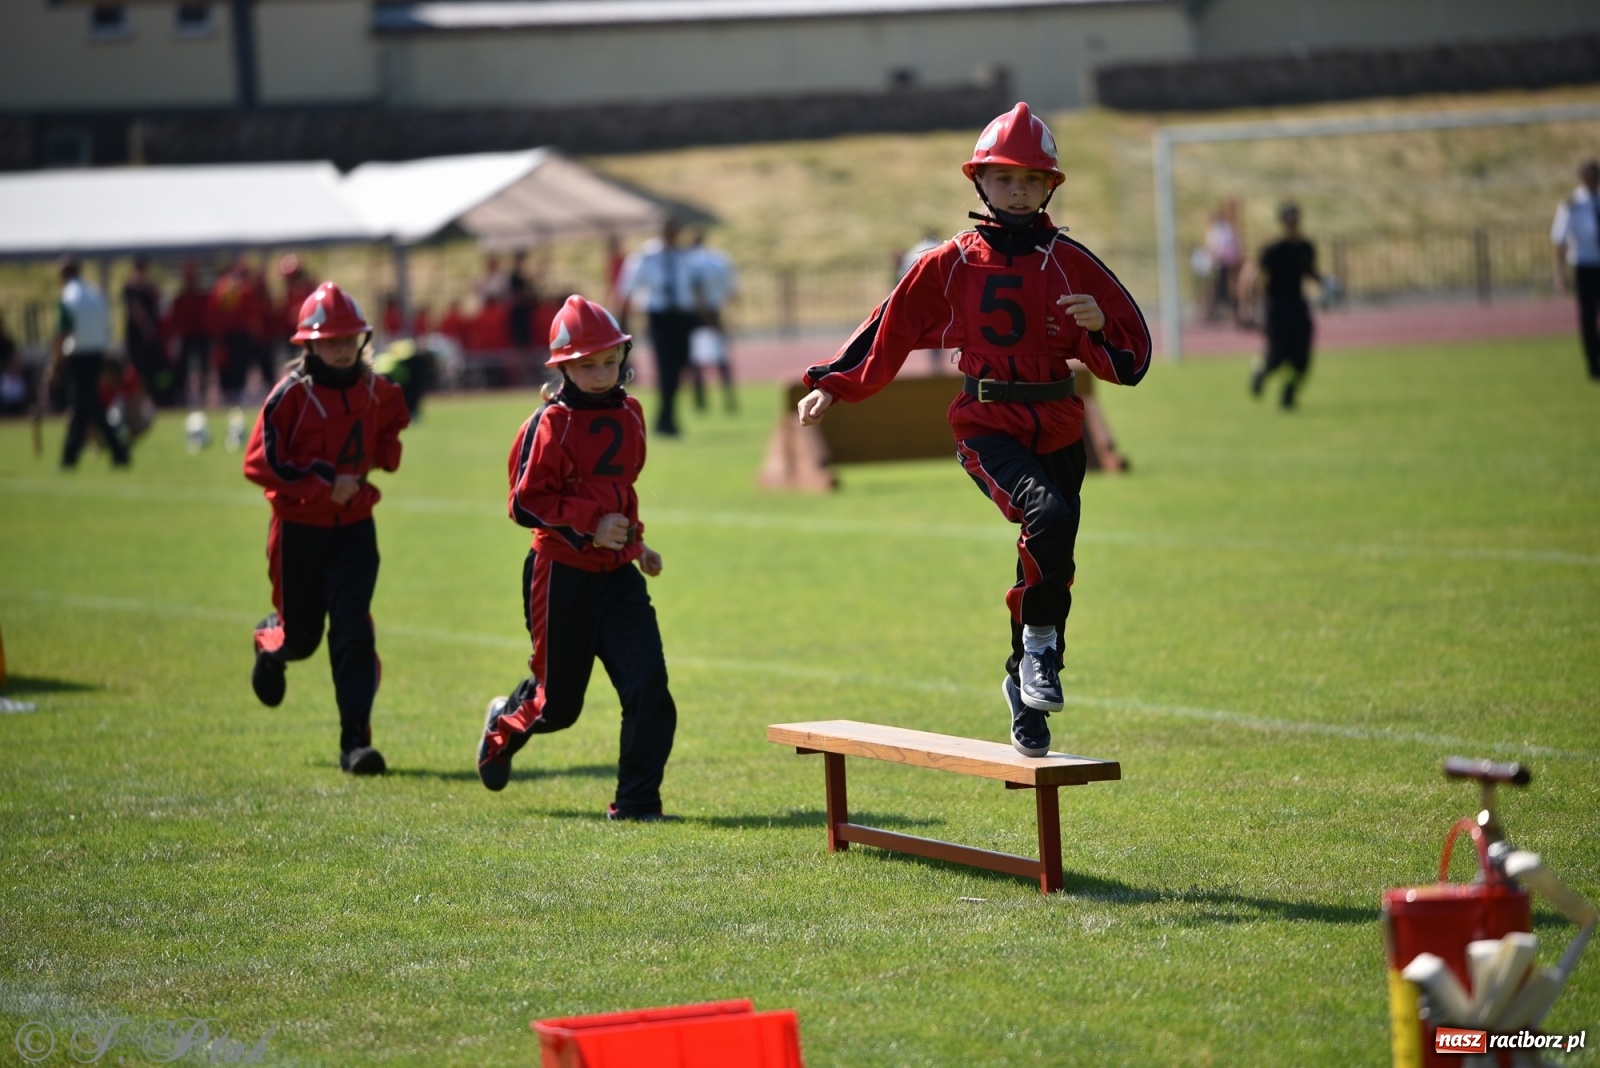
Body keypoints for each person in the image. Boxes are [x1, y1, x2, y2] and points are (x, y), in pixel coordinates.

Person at [795, 103, 1151, 758]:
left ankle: (1025, 679)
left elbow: (1132, 359)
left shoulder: (1073, 263)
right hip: (987, 423)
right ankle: (1039, 651)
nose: (1017, 191)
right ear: (979, 183)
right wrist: (832, 384)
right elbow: (890, 324)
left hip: (1060, 421)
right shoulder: (953, 261)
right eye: (1004, 179)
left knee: (1057, 549)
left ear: (1050, 187)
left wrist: (1099, 327)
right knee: (1046, 514)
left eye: (1030, 180)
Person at [476, 295, 678, 821]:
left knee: (650, 689)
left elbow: (621, 492)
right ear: (562, 366)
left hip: (617, 577)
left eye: (609, 361)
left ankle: (637, 803)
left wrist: (635, 545)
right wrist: (591, 524)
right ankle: (502, 723)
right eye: (587, 365)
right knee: (558, 707)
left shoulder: (631, 412)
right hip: (560, 575)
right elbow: (524, 502)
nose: (600, 373)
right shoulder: (549, 423)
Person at [243, 282, 411, 776]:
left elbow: (392, 421)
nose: (340, 349)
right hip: (299, 532)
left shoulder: (377, 388)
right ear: (309, 344)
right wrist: (321, 484)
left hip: (356, 529)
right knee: (303, 639)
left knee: (354, 630)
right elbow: (260, 462)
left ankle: (354, 742)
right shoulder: (290, 395)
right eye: (330, 341)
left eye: (348, 340)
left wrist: (382, 456)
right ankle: (272, 645)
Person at [617, 218, 700, 436]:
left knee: (680, 366)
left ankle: (667, 417)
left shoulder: (683, 256)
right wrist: (622, 318)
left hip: (682, 317)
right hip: (660, 317)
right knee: (666, 368)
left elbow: (692, 286)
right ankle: (666, 419)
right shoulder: (647, 256)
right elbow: (627, 287)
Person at [49, 256, 131, 469]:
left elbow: (62, 333)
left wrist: (55, 364)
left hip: (78, 356)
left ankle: (75, 455)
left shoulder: (69, 297)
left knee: (86, 405)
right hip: (97, 353)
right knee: (86, 405)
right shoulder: (94, 294)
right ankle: (76, 455)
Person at [1249, 201, 1323, 409]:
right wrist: (1248, 306)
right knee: (1276, 358)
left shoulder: (1305, 248)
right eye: (1288, 220)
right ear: (1282, 222)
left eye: (1295, 220)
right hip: (1277, 311)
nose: (1292, 224)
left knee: (1302, 360)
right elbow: (1253, 277)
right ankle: (1261, 372)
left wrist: (1327, 284)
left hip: (1298, 309)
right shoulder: (1273, 251)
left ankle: (1288, 394)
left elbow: (1311, 271)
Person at [1550, 159, 1600, 380]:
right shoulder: (1571, 205)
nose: (1592, 180)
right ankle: (1593, 364)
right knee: (1588, 318)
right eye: (1588, 176)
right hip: (1585, 266)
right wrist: (1560, 273)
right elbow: (1559, 240)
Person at [686, 229, 738, 413]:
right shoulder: (719, 259)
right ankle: (729, 398)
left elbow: (696, 289)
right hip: (715, 312)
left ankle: (700, 401)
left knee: (696, 360)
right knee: (721, 358)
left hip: (695, 315)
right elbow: (732, 290)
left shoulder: (689, 261)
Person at [122, 256, 173, 406]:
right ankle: (139, 400)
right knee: (137, 373)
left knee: (157, 372)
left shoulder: (149, 289)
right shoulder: (130, 289)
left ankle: (159, 398)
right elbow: (135, 310)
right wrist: (147, 328)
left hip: (152, 342)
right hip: (136, 340)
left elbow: (161, 302)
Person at [165, 261, 213, 411]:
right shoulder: (181, 298)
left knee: (203, 367)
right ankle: (182, 397)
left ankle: (203, 395)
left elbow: (207, 316)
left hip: (201, 335)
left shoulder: (201, 297)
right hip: (187, 336)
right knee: (183, 368)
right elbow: (174, 319)